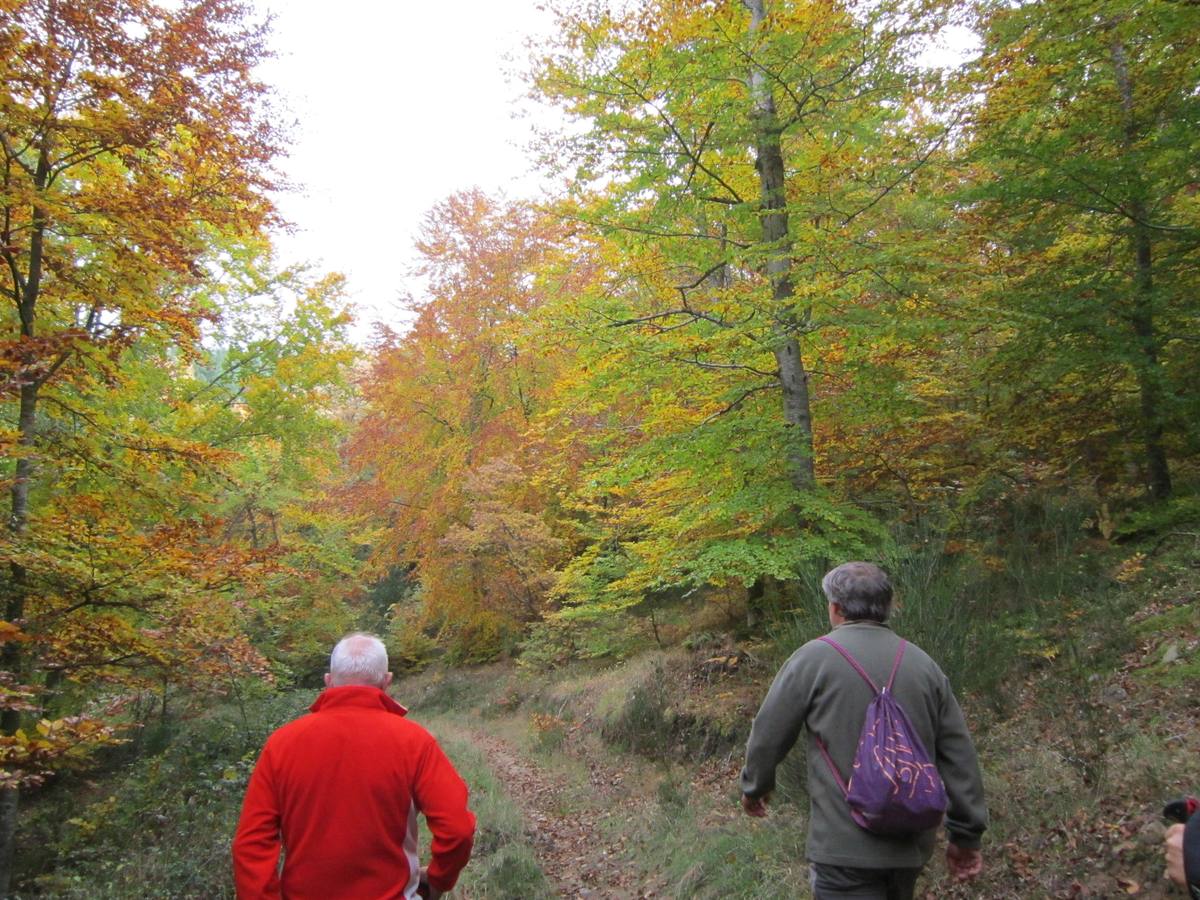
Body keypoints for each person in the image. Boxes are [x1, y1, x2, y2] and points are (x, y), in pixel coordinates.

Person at [740, 562, 988, 900]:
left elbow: (768, 734)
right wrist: (966, 835)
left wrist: (756, 787)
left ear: (836, 607)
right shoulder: (924, 666)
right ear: (888, 606)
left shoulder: (812, 660)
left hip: (842, 850)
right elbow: (959, 756)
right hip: (908, 851)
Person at [233, 633, 476, 899]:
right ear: (387, 681)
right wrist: (440, 879)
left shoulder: (281, 744)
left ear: (328, 682)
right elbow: (457, 829)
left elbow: (251, 845)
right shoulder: (414, 742)